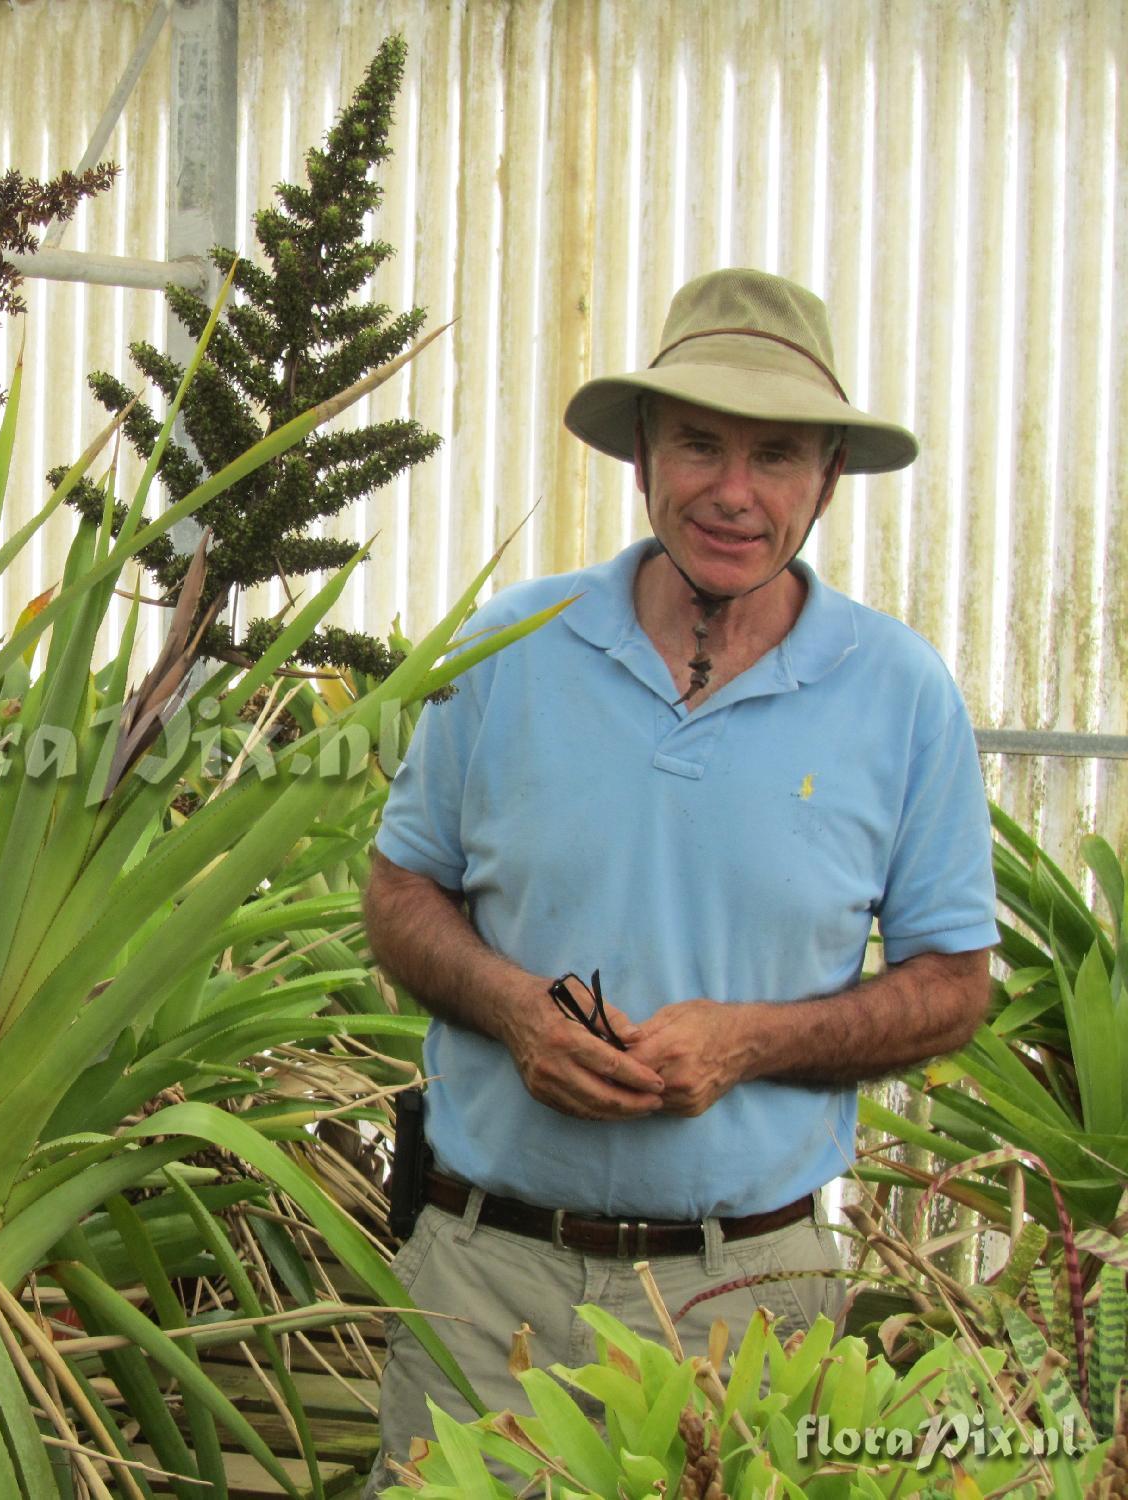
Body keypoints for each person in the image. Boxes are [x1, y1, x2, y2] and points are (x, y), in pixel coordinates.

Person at [360, 267, 997, 1493]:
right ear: (642, 452)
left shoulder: (899, 693)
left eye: (776, 455)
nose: (731, 491)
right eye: (698, 442)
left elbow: (952, 985)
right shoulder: (510, 651)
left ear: (825, 480)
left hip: (749, 1302)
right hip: (488, 1284)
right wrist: (512, 1012)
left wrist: (748, 1044)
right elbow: (399, 895)